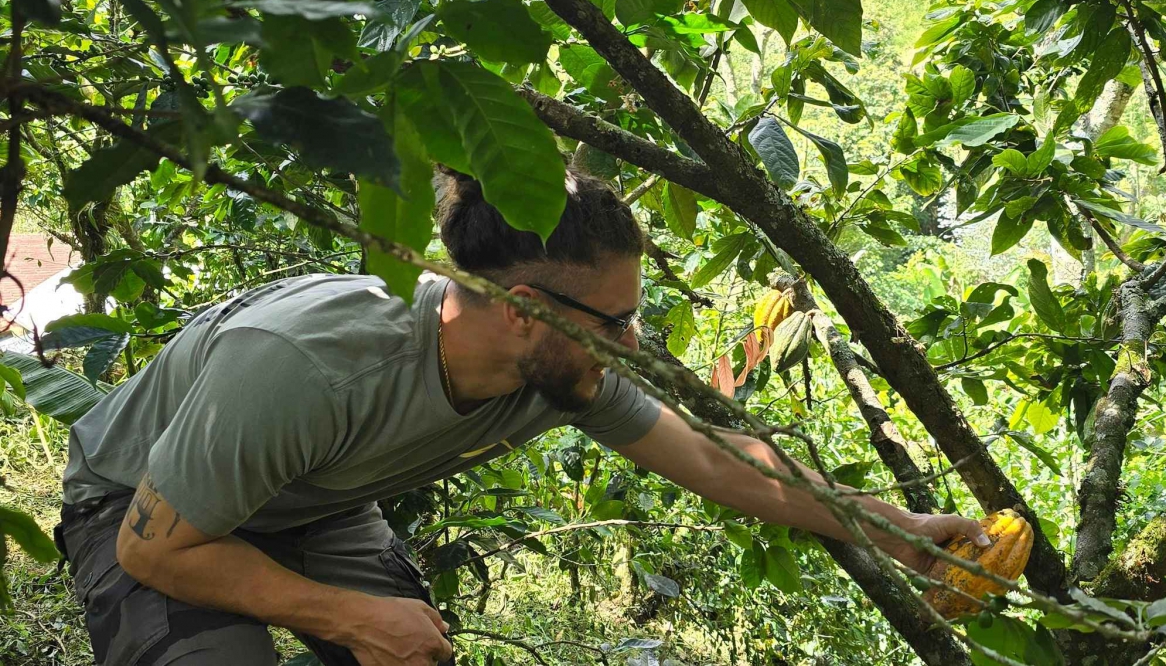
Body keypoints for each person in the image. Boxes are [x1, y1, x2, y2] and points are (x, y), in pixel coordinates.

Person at [57, 167, 990, 666]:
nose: (633, 341)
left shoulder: (564, 367)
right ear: (520, 307)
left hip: (311, 500)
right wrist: (348, 615)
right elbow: (154, 551)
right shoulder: (309, 364)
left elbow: (718, 461)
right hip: (145, 508)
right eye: (615, 321)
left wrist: (890, 527)